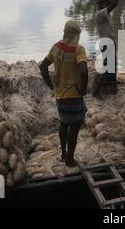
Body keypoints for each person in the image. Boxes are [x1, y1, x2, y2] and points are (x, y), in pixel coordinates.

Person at [39, 20, 88, 167]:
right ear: (77, 34)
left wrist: (51, 85)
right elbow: (84, 71)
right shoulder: (78, 49)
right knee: (75, 126)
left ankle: (63, 154)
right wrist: (83, 90)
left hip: (60, 96)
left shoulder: (56, 47)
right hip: (74, 96)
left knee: (64, 123)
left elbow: (43, 66)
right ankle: (70, 160)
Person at [92, 0, 119, 99]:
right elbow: (114, 4)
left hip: (109, 43)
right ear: (104, 4)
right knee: (108, 69)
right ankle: (96, 91)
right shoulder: (100, 13)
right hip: (106, 44)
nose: (108, 3)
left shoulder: (102, 12)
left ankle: (113, 88)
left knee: (113, 68)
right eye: (106, 2)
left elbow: (112, 4)